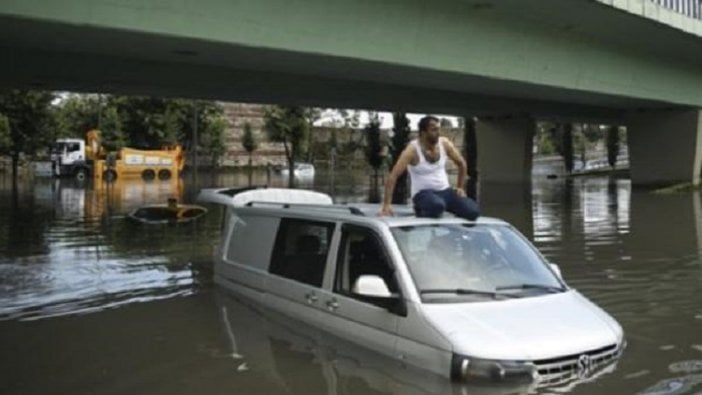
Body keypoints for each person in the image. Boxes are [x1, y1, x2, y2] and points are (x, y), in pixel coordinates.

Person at [379, 115, 479, 220]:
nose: (438, 133)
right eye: (434, 130)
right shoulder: (412, 150)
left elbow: (462, 163)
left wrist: (460, 188)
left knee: (473, 211)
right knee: (437, 206)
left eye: (438, 129)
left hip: (445, 192)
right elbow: (393, 175)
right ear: (423, 133)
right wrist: (386, 205)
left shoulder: (444, 143)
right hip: (423, 194)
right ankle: (421, 209)